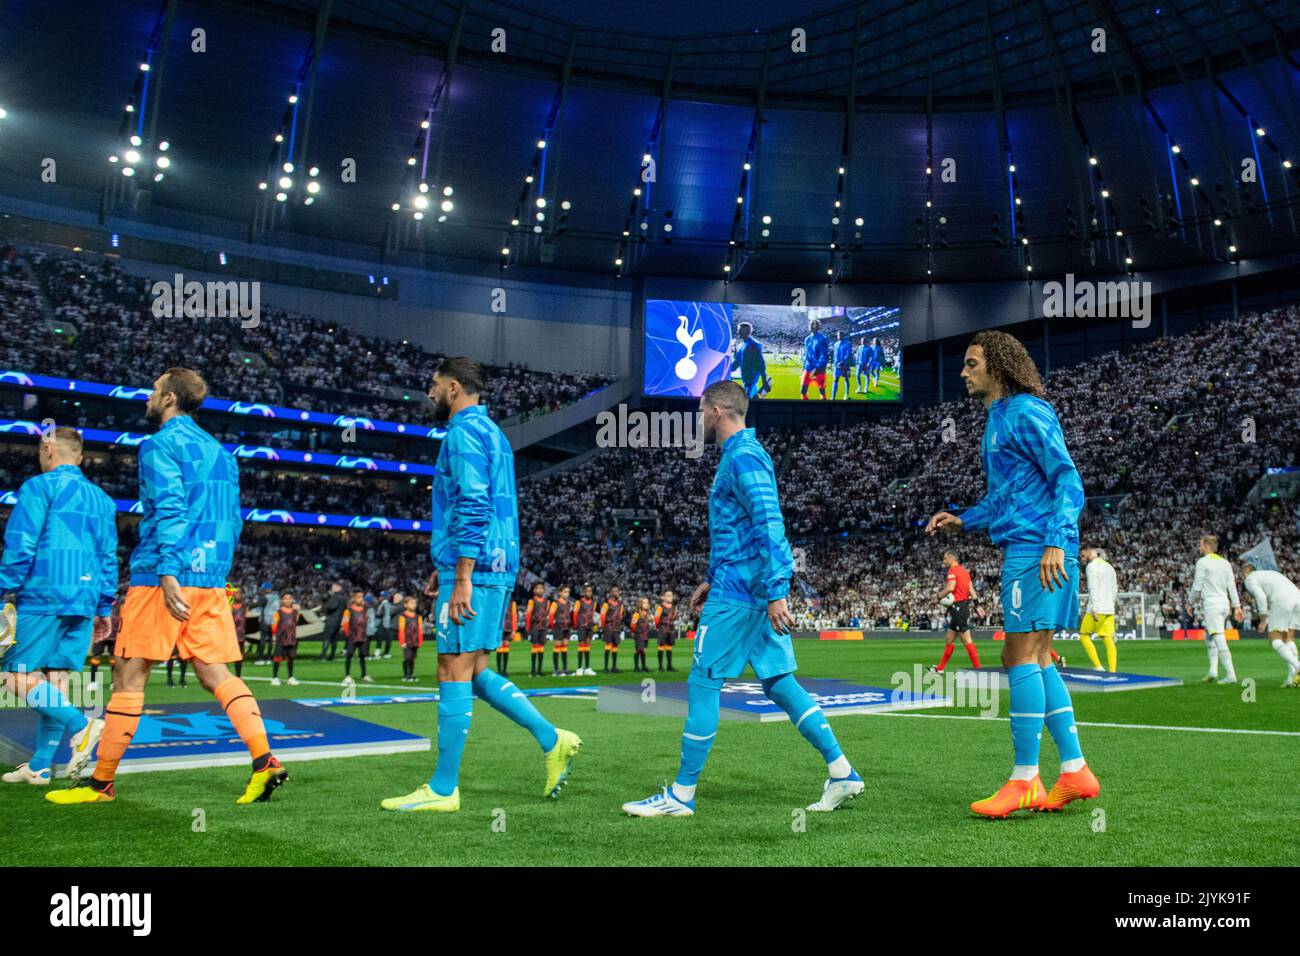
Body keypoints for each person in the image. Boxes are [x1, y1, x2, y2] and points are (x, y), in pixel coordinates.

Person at [47, 367, 288, 805]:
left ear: (171, 398)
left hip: (164, 579)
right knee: (214, 672)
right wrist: (211, 569)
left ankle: (101, 782)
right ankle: (264, 761)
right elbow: (232, 520)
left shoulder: (159, 445)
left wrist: (168, 571)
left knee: (129, 672)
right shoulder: (221, 452)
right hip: (210, 577)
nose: (147, 398)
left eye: (154, 391)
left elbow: (171, 509)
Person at [623, 380, 863, 817]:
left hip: (743, 597)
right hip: (739, 587)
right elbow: (742, 531)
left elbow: (769, 524)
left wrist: (776, 592)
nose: (698, 418)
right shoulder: (741, 455)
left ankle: (681, 795)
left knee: (702, 682)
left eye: (700, 410)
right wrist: (713, 578)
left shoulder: (745, 456)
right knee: (779, 683)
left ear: (716, 410)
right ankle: (842, 772)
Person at [381, 357, 580, 813]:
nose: (429, 393)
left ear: (453, 387)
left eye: (433, 385)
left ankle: (444, 788)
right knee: (471, 673)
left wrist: (463, 575)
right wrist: (449, 563)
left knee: (452, 668)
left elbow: (472, 502)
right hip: (494, 562)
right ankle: (554, 739)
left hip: (477, 570)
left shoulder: (463, 432)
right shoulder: (495, 433)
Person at [925, 331, 1096, 818]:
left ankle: (1024, 780)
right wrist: (965, 518)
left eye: (971, 363)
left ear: (997, 367)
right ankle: (1074, 770)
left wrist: (1056, 540)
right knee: (1037, 656)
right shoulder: (998, 419)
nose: (963, 371)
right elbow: (1005, 498)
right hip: (1028, 542)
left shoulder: (1026, 411)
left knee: (1017, 653)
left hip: (1038, 548)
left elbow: (1068, 478)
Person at [0, 427, 115, 787]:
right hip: (83, 601)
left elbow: (21, 543)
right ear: (78, 456)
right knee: (56, 681)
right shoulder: (103, 500)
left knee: (12, 674)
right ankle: (40, 765)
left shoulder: (39, 487)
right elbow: (108, 556)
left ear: (47, 449)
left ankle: (83, 727)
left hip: (43, 594)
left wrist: (4, 589)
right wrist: (105, 605)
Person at [1240, 550, 1300, 688]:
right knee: (1288, 638)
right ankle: (1292, 679)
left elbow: (1260, 597)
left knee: (1274, 639)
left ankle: (1298, 666)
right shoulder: (1271, 573)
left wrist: (1263, 619)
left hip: (1282, 600)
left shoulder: (1250, 578)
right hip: (1297, 598)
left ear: (1245, 572)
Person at [1189, 534, 1242, 684]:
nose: (1199, 547)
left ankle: (1231, 674)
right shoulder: (1225, 563)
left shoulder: (1202, 562)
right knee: (1209, 635)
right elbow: (1231, 585)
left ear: (1206, 546)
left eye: (1200, 544)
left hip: (1212, 604)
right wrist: (1237, 606)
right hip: (1225, 604)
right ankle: (1213, 671)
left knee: (1218, 636)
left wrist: (1189, 602)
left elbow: (1197, 585)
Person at [927, 551, 980, 674]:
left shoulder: (952, 571)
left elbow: (951, 587)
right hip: (962, 607)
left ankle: (979, 670)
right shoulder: (965, 572)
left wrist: (939, 595)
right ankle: (940, 669)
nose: (943, 561)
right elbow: (971, 589)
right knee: (949, 638)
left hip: (958, 608)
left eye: (945, 558)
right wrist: (977, 605)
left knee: (966, 639)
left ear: (951, 559)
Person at [1079, 547, 1118, 672]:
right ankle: (1112, 671)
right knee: (1108, 639)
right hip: (1109, 608)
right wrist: (1111, 605)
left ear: (1091, 553)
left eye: (1084, 555)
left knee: (1084, 636)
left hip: (1097, 608)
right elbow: (1114, 589)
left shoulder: (1091, 567)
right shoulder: (1110, 567)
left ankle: (1098, 666)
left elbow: (1093, 588)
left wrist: (1095, 608)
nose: (1083, 559)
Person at [340, 591, 373, 684]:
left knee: (362, 655)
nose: (361, 599)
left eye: (362, 597)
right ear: (353, 598)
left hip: (362, 636)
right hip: (352, 636)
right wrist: (349, 635)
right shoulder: (348, 610)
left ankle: (364, 675)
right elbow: (345, 624)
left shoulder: (364, 610)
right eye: (358, 597)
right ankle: (347, 675)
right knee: (349, 655)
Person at [269, 592, 299, 686]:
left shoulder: (295, 612)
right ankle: (274, 677)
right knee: (277, 657)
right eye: (285, 598)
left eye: (290, 598)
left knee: (290, 658)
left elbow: (295, 624)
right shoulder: (278, 613)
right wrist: (278, 636)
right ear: (282, 600)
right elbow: (274, 626)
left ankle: (290, 677)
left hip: (291, 639)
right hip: (281, 639)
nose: (288, 600)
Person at [799, 318, 830, 401]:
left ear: (817, 326)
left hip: (819, 369)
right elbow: (807, 354)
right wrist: (803, 367)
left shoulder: (823, 338)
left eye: (813, 324)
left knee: (822, 390)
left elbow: (824, 355)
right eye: (810, 324)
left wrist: (818, 367)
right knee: (802, 391)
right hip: (808, 367)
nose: (811, 326)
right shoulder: (807, 339)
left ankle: (825, 408)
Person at [525, 582, 549, 677]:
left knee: (541, 647)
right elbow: (528, 615)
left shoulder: (547, 602)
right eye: (538, 588)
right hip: (534, 626)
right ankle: (533, 670)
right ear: (534, 590)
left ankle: (540, 669)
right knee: (535, 647)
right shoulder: (531, 601)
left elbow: (546, 614)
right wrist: (528, 628)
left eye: (541, 588)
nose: (540, 590)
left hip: (543, 627)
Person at [398, 595, 424, 682]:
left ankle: (411, 674)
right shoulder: (403, 616)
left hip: (415, 641)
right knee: (407, 658)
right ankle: (406, 675)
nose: (414, 605)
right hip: (407, 641)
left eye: (414, 603)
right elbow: (401, 630)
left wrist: (420, 641)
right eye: (411, 603)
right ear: (406, 605)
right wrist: (402, 642)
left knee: (413, 658)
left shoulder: (418, 617)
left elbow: (420, 630)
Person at [600, 586, 626, 673]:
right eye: (615, 591)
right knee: (608, 646)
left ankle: (614, 667)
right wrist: (604, 627)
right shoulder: (606, 604)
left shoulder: (620, 604)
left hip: (617, 628)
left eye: (617, 591)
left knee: (615, 646)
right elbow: (602, 616)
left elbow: (621, 615)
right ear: (611, 593)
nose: (617, 592)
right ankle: (606, 667)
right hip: (609, 627)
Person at [573, 585, 596, 676]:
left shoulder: (593, 602)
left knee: (587, 646)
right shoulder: (579, 602)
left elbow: (592, 613)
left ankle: (587, 668)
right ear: (583, 592)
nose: (589, 593)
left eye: (590, 591)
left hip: (589, 626)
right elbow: (575, 613)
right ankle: (579, 668)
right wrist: (576, 625)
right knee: (581, 645)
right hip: (582, 625)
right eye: (587, 591)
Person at [318, 582, 345, 661]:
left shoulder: (335, 596)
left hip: (331, 620)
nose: (332, 589)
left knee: (326, 638)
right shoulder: (344, 597)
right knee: (334, 639)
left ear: (338, 588)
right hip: (338, 621)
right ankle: (332, 655)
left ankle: (323, 656)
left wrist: (325, 605)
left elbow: (331, 606)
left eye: (334, 587)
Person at [654, 590, 679, 671]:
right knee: (661, 646)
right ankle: (660, 667)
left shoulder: (674, 607)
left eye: (671, 595)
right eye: (668, 595)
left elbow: (674, 618)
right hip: (663, 629)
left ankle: (669, 666)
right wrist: (659, 627)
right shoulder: (660, 608)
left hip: (671, 630)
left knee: (669, 646)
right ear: (663, 597)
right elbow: (656, 619)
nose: (670, 597)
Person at [229, 586, 248, 679]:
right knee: (226, 657)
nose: (238, 595)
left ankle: (238, 676)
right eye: (236, 592)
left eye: (240, 593)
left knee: (239, 657)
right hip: (229, 636)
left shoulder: (245, 607)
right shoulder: (229, 606)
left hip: (240, 636)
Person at [630, 597, 652, 672]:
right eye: (644, 603)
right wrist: (634, 632)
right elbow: (633, 625)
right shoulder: (637, 614)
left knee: (644, 650)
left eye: (647, 603)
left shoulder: (647, 614)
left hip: (645, 635)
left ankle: (643, 667)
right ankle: (636, 667)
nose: (646, 605)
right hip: (639, 634)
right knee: (638, 650)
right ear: (640, 604)